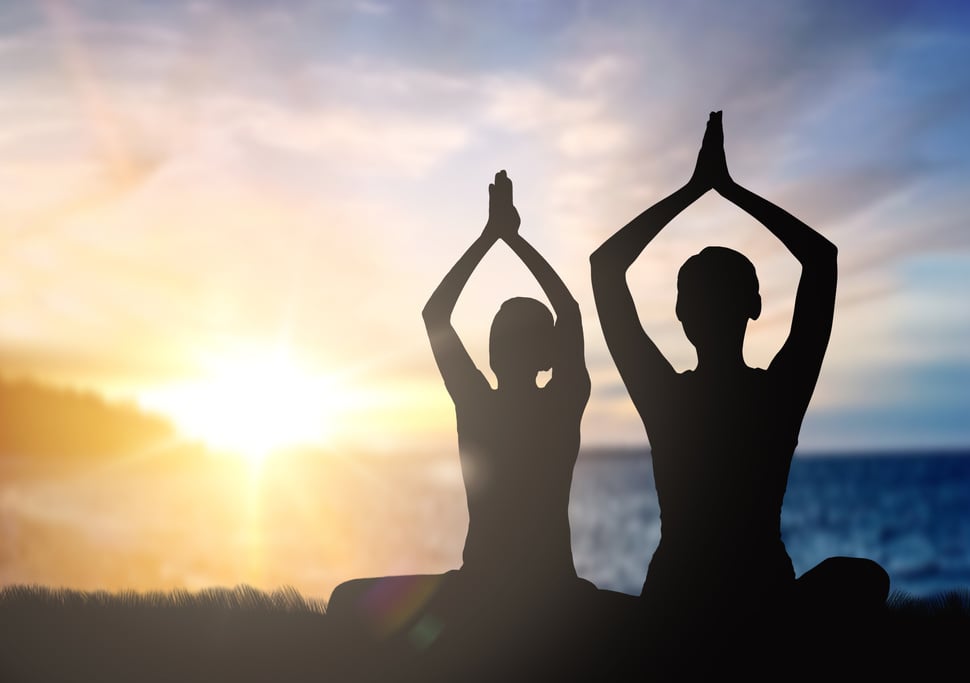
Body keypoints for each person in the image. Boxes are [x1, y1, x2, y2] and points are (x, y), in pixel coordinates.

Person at [589, 112, 888, 653]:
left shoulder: (667, 398)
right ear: (754, 307)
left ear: (681, 316)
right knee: (864, 577)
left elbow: (605, 268)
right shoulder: (777, 395)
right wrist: (729, 190)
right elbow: (821, 260)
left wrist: (695, 189)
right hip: (761, 602)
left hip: (677, 604)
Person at [328, 170, 632, 680]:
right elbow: (570, 311)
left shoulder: (478, 402)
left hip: (491, 593)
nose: (496, 345)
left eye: (504, 337)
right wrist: (513, 238)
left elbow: (437, 315)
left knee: (343, 600)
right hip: (543, 593)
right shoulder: (559, 402)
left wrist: (492, 236)